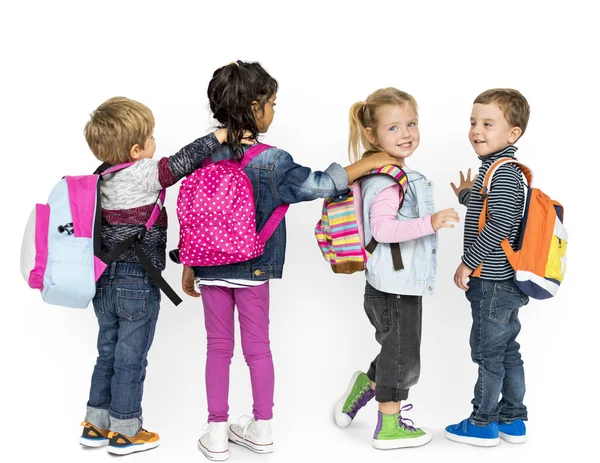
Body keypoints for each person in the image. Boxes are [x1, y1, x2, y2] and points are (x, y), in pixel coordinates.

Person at [179, 61, 404, 461]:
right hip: (255, 266)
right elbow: (319, 184)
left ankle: (215, 434)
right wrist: (366, 164)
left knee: (217, 348)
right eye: (272, 103)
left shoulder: (202, 154)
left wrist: (190, 263)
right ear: (254, 106)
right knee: (258, 349)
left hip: (210, 267)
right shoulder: (273, 160)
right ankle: (262, 430)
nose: (274, 111)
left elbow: (196, 216)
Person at [79, 96, 230, 455]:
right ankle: (127, 430)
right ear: (135, 149)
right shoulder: (143, 171)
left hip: (103, 280)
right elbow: (181, 163)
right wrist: (219, 138)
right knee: (131, 357)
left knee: (108, 353)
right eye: (149, 138)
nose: (154, 143)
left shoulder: (101, 176)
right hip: (137, 282)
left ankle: (95, 423)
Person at [333, 87, 459, 449]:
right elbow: (384, 230)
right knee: (402, 355)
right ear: (371, 135)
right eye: (394, 128)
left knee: (398, 349)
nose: (406, 134)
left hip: (396, 283)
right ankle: (389, 424)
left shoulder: (396, 173)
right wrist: (431, 222)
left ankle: (367, 385)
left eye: (412, 123)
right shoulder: (388, 179)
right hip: (393, 287)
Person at [444, 88, 531, 447]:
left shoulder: (504, 172)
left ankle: (482, 423)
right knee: (507, 349)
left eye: (488, 124)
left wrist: (468, 262)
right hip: (503, 281)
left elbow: (499, 224)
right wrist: (467, 194)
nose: (477, 130)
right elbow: (488, 207)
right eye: (473, 122)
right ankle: (512, 420)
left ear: (513, 134)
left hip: (494, 280)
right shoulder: (492, 169)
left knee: (488, 353)